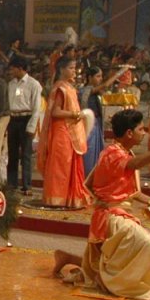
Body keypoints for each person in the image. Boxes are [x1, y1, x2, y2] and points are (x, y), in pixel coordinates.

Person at [52, 110, 150, 300]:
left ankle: (77, 263)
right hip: (110, 216)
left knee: (125, 251)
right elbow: (134, 165)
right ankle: (116, 283)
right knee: (145, 241)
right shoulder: (114, 153)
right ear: (129, 133)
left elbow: (127, 191)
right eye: (141, 129)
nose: (144, 133)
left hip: (116, 212)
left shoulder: (121, 152)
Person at [38, 56, 91, 209]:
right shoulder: (60, 87)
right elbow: (55, 112)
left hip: (70, 130)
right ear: (62, 69)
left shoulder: (69, 87)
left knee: (70, 164)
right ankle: (56, 198)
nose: (74, 71)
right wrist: (74, 115)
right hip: (62, 131)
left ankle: (70, 198)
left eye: (75, 68)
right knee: (61, 165)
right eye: (71, 68)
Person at [79, 64, 126, 175]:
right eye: (97, 76)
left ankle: (93, 176)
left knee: (96, 151)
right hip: (89, 125)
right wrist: (120, 72)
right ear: (89, 78)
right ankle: (86, 176)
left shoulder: (95, 91)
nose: (100, 79)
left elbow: (104, 89)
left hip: (97, 124)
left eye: (101, 76)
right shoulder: (86, 90)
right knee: (89, 151)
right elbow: (105, 85)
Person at [6, 56, 42, 195]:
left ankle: (27, 185)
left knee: (26, 154)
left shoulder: (34, 84)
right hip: (13, 119)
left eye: (12, 68)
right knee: (12, 153)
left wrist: (32, 126)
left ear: (20, 68)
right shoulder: (11, 84)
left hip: (26, 118)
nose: (11, 71)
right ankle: (12, 184)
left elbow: (37, 107)